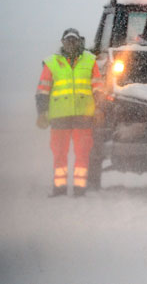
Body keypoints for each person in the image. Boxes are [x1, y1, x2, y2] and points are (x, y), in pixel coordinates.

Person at [36, 28, 104, 197]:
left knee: (82, 153)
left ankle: (80, 188)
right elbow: (42, 90)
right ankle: (59, 188)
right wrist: (42, 112)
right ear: (62, 42)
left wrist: (99, 109)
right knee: (59, 153)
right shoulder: (52, 62)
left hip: (83, 115)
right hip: (59, 116)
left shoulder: (89, 61)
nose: (71, 44)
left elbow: (98, 88)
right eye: (68, 40)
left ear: (79, 41)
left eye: (74, 40)